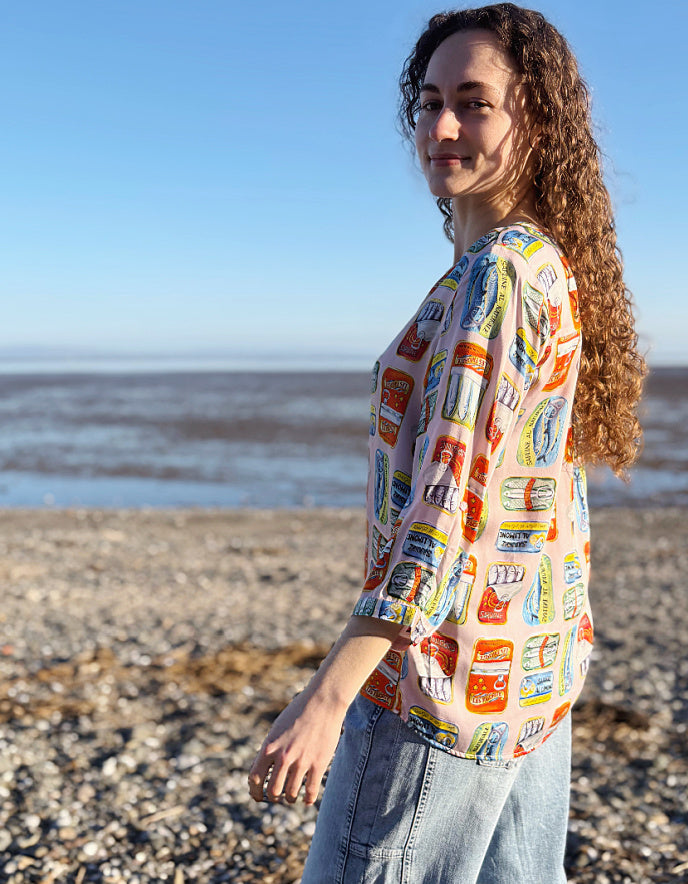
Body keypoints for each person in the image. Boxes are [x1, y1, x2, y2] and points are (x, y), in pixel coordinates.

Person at [248, 4, 645, 882]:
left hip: (439, 692)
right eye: (428, 102)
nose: (442, 127)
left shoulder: (500, 275)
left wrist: (330, 695)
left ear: (535, 117)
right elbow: (537, 489)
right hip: (529, 678)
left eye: (475, 103)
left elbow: (445, 509)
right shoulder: (545, 264)